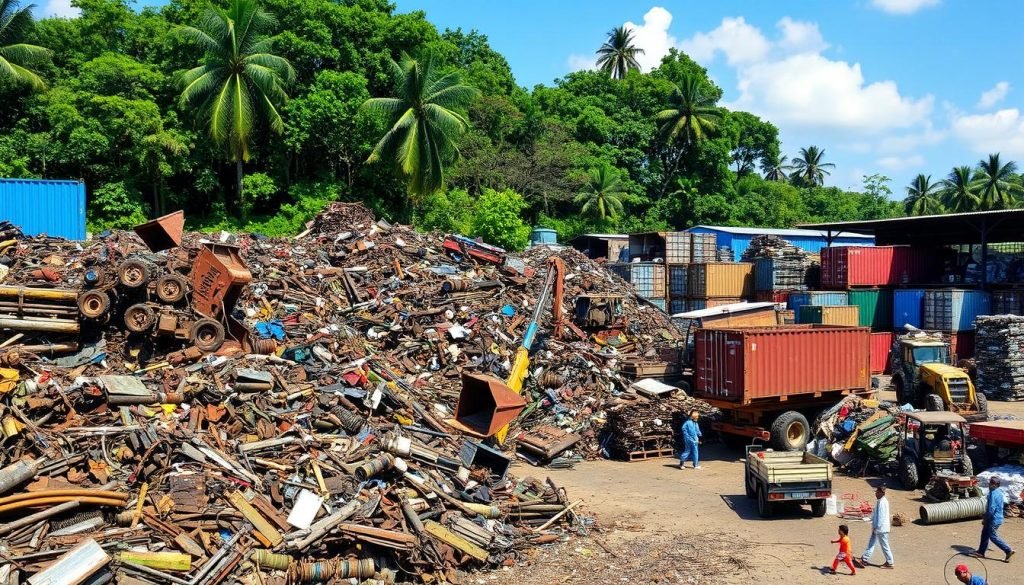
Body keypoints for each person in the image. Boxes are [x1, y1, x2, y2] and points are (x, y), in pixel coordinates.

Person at [973, 476, 1016, 561]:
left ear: (995, 485)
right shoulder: (999, 492)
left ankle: (1008, 550)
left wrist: (986, 519)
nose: (990, 484)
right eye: (990, 483)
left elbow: (991, 509)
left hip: (993, 519)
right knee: (985, 533)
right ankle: (981, 552)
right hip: (996, 517)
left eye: (992, 483)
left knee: (992, 536)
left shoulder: (993, 494)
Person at [857, 485, 894, 568]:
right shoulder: (880, 501)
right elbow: (875, 514)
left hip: (881, 528)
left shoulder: (882, 502)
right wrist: (869, 519)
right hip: (879, 527)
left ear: (881, 493)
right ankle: (865, 559)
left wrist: (876, 527)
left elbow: (881, 517)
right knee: (874, 543)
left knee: (881, 545)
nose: (875, 494)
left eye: (877, 492)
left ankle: (890, 562)